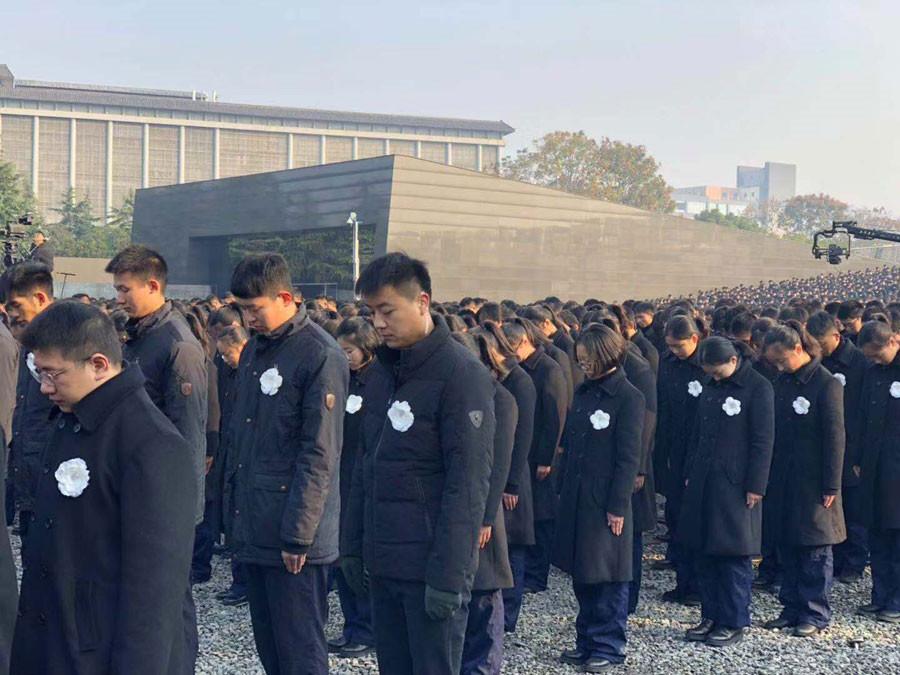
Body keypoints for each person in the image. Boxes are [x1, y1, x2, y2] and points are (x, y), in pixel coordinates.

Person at [10, 302, 197, 674]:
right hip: (58, 641)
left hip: (100, 650)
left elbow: (153, 592)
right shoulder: (71, 419)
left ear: (97, 364)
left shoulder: (152, 444)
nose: (45, 388)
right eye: (39, 374)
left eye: (53, 374)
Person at [341, 253, 494, 675]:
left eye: (387, 311)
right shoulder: (384, 373)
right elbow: (365, 466)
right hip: (385, 562)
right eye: (372, 313)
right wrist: (353, 545)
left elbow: (467, 485)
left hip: (429, 569)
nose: (378, 323)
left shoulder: (461, 375)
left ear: (422, 302)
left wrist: (449, 578)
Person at [226, 253, 348, 675]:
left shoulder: (320, 354)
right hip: (257, 521)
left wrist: (298, 535)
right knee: (271, 647)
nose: (247, 319)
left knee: (300, 649)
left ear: (284, 297)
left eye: (254, 309)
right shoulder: (256, 349)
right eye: (241, 309)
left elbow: (319, 452)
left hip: (294, 534)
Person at [105, 245, 208, 668]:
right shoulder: (137, 332)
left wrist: (182, 509)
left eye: (125, 289)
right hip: (135, 483)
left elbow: (188, 436)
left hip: (165, 496)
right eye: (116, 289)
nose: (119, 298)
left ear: (153, 285)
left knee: (173, 600)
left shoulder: (177, 344)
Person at [554, 324, 644, 673]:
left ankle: (609, 643)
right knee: (584, 572)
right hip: (578, 497)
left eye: (587, 359)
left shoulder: (629, 397)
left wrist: (618, 505)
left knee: (608, 574)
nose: (583, 365)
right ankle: (586, 639)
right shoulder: (584, 391)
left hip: (606, 500)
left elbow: (628, 457)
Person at [680, 337, 775, 647]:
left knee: (733, 556)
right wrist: (690, 472)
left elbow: (763, 441)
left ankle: (733, 620)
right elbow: (696, 433)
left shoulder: (758, 387)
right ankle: (711, 614)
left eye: (717, 370)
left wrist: (755, 486)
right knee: (706, 551)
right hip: (705, 481)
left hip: (736, 485)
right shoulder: (711, 386)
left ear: (734, 361)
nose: (713, 376)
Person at [761, 321, 846, 637]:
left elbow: (835, 437)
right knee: (787, 543)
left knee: (813, 548)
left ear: (799, 348)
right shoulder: (782, 381)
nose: (780, 366)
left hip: (813, 481)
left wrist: (831, 484)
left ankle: (814, 612)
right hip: (784, 477)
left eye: (782, 359)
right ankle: (791, 606)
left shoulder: (826, 384)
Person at [455, 331, 516, 675]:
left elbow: (500, 465)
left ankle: (483, 666)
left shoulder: (501, 399)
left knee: (484, 590)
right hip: (455, 507)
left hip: (483, 510)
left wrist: (487, 518)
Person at [502, 318, 568, 595]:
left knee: (541, 517)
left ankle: (538, 573)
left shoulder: (548, 370)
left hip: (539, 454)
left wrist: (547, 458)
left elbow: (555, 417)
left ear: (525, 342)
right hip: (525, 454)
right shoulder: (523, 368)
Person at [480, 323, 537, 634]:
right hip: (500, 476)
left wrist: (512, 482)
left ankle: (509, 613)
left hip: (513, 474)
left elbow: (522, 434)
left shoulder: (518, 382)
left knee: (511, 547)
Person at [807, 310, 870, 584]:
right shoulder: (817, 364)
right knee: (830, 504)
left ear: (836, 335)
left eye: (821, 343)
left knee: (854, 508)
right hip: (825, 444)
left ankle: (854, 561)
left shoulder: (860, 363)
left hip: (853, 443)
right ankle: (835, 556)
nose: (818, 349)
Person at [328, 317, 379, 658]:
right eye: (341, 350)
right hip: (341, 475)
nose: (345, 356)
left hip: (365, 479)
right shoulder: (343, 379)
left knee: (360, 555)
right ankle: (352, 625)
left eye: (350, 350)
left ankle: (367, 627)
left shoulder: (379, 382)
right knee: (342, 552)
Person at [655, 316, 705, 606]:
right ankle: (682, 579)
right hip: (672, 450)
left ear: (695, 339)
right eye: (670, 346)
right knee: (675, 516)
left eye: (679, 346)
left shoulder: (706, 364)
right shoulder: (668, 364)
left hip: (696, 453)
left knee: (694, 522)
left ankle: (697, 585)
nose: (674, 351)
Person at [4, 262, 55, 540]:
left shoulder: (68, 339)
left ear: (39, 298)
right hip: (27, 467)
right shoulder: (26, 340)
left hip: (54, 473)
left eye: (15, 305)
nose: (11, 313)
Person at [855, 320, 900, 623]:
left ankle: (897, 600)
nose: (873, 360)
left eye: (877, 354)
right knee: (878, 533)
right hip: (874, 466)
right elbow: (861, 417)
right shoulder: (871, 374)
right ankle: (880, 594)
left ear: (894, 340)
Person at [214, 325, 251, 607]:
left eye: (228, 354)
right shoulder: (228, 374)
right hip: (230, 450)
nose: (225, 359)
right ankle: (237, 581)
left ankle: (244, 584)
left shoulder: (252, 375)